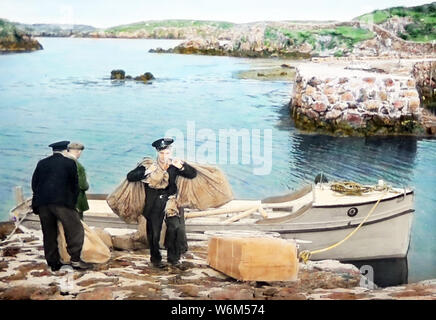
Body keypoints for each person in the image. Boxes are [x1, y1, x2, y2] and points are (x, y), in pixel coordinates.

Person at [126, 138, 197, 268]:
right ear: (157, 152)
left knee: (175, 227)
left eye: (167, 153)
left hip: (171, 201)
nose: (165, 156)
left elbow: (193, 174)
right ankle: (156, 259)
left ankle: (173, 258)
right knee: (154, 232)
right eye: (162, 153)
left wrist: (181, 167)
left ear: (171, 152)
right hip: (154, 202)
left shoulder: (174, 165)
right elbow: (130, 176)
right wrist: (147, 171)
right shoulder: (149, 164)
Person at [31, 140, 91, 271]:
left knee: (49, 233)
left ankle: (53, 263)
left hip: (42, 203)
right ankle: (75, 260)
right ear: (66, 150)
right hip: (62, 203)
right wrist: (72, 203)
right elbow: (74, 186)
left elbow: (34, 183)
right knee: (75, 230)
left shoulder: (42, 163)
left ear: (53, 151)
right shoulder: (69, 163)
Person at [65, 142, 89, 220]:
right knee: (78, 222)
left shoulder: (63, 162)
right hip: (77, 199)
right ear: (79, 151)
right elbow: (83, 185)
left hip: (64, 198)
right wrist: (87, 185)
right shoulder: (78, 166)